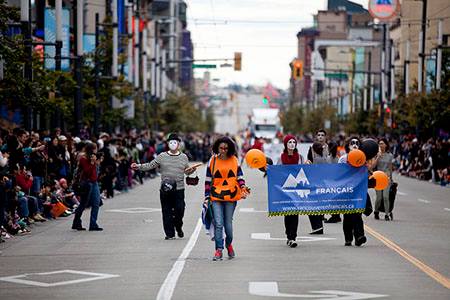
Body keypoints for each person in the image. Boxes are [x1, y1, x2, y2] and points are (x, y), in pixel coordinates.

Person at [131, 133, 195, 240]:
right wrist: (138, 166)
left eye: (175, 142)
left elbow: (187, 172)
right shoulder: (162, 156)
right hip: (165, 189)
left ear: (179, 144)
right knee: (167, 211)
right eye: (171, 142)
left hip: (179, 189)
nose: (173, 144)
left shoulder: (184, 157)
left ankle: (178, 226)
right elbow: (150, 165)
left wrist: (191, 170)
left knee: (180, 210)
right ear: (167, 144)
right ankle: (169, 234)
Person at [204, 136, 250, 260]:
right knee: (218, 223)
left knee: (228, 224)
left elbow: (239, 176)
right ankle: (219, 250)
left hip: (231, 196)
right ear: (217, 148)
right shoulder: (212, 161)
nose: (223, 150)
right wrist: (206, 196)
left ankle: (228, 244)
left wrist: (243, 187)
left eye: (226, 148)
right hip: (216, 196)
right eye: (221, 148)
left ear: (229, 149)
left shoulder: (234, 160)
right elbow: (208, 180)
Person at [338, 137, 367, 246]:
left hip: (358, 190)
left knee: (357, 213)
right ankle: (348, 238)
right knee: (347, 215)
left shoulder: (363, 159)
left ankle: (360, 236)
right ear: (348, 146)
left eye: (357, 143)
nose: (354, 145)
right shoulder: (343, 159)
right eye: (352, 143)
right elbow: (338, 173)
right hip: (346, 190)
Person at [277, 134, 304, 248]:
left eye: (294, 142)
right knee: (288, 213)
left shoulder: (300, 157)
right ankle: (289, 235)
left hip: (296, 190)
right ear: (285, 144)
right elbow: (277, 172)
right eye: (290, 142)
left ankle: (293, 237)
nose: (292, 144)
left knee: (295, 213)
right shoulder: (281, 158)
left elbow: (304, 172)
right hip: (285, 189)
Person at [71, 142, 103, 231]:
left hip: (94, 182)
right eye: (95, 148)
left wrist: (96, 162)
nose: (96, 150)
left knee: (96, 203)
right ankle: (76, 221)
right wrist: (92, 162)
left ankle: (93, 224)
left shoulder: (93, 158)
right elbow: (87, 171)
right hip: (86, 183)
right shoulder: (83, 159)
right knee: (83, 204)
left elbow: (95, 173)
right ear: (91, 150)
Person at [306, 129, 331, 234]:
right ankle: (318, 223)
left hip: (327, 177)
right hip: (315, 178)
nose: (320, 137)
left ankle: (323, 217)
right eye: (319, 135)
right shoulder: (312, 148)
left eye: (322, 135)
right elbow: (309, 161)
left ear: (325, 137)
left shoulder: (330, 148)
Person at [373, 138, 394, 221]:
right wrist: (378, 157)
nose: (381, 145)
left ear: (386, 145)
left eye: (382, 143)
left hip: (386, 178)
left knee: (386, 197)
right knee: (379, 197)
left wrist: (391, 179)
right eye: (379, 144)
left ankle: (386, 214)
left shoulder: (390, 155)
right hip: (378, 177)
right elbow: (373, 166)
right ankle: (376, 211)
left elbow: (390, 168)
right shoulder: (376, 154)